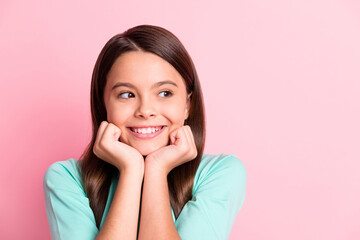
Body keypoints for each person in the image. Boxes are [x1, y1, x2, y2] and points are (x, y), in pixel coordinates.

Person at [43, 24, 247, 240]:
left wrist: (156, 169)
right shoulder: (66, 179)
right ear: (104, 104)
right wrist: (131, 170)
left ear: (188, 104)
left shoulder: (220, 173)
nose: (145, 111)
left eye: (165, 93)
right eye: (127, 95)